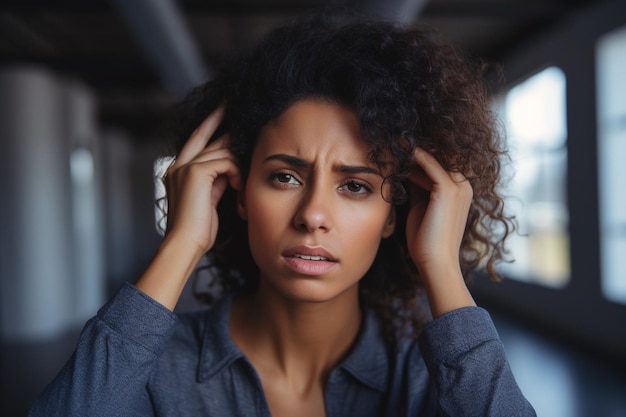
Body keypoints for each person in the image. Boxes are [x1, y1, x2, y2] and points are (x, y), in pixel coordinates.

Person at [29, 10, 535, 417]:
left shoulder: (429, 376)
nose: (313, 215)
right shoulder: (159, 368)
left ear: (392, 215)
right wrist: (181, 242)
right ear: (240, 194)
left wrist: (441, 266)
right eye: (284, 177)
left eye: (355, 186)